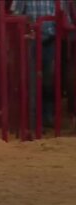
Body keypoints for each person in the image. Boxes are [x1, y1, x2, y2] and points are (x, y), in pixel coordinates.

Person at [11, 0, 71, 129]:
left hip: (51, 40)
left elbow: (65, 18)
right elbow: (15, 15)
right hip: (30, 42)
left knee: (50, 81)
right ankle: (32, 122)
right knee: (32, 82)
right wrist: (26, 26)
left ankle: (47, 117)